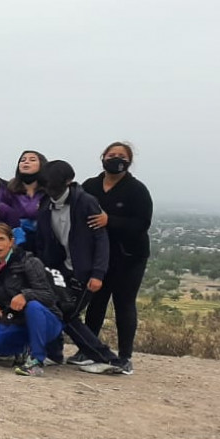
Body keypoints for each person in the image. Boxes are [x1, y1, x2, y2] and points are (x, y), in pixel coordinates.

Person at [36, 160, 127, 372]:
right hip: (59, 270)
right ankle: (55, 353)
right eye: (47, 186)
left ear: (68, 182)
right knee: (55, 308)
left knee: (67, 314)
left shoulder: (86, 202)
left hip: (84, 272)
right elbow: (43, 240)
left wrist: (97, 273)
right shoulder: (45, 204)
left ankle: (107, 359)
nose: (51, 190)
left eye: (54, 185)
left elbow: (101, 240)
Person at [82, 142, 152, 374]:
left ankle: (124, 357)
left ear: (129, 161)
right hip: (99, 257)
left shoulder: (137, 189)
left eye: (121, 156)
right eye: (111, 155)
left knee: (123, 304)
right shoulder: (90, 186)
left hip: (129, 257)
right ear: (102, 157)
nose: (116, 158)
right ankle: (88, 349)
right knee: (96, 302)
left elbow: (142, 223)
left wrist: (109, 220)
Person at [0, 223, 66, 377]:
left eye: (1, 239)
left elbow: (49, 296)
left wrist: (25, 295)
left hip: (47, 320)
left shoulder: (29, 262)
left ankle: (37, 360)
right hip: (17, 321)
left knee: (33, 306)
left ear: (11, 241)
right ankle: (24, 349)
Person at [4, 150, 48, 252]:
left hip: (45, 242)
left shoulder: (48, 191)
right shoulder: (10, 190)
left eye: (32, 160)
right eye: (23, 160)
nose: (26, 162)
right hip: (18, 243)